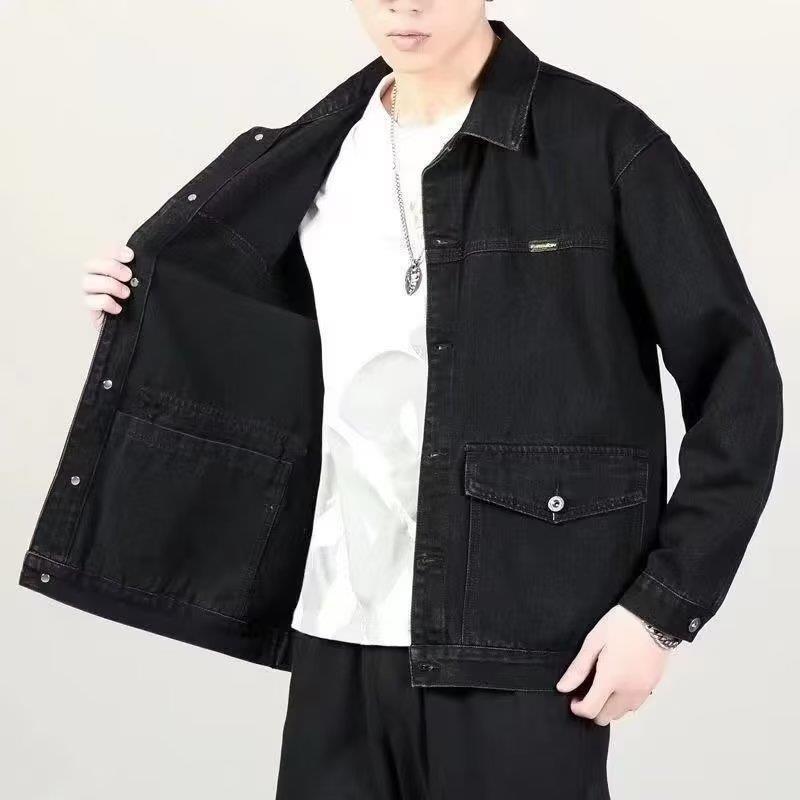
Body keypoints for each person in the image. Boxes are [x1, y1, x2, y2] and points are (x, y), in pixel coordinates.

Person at [65, 2, 781, 799]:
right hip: (337, 622)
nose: (404, 5)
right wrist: (147, 309)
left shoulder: (603, 142)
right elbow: (268, 354)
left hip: (522, 631)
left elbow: (740, 382)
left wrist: (660, 611)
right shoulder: (313, 151)